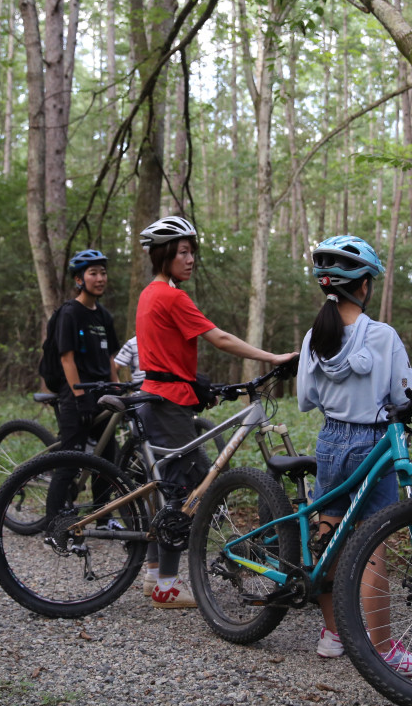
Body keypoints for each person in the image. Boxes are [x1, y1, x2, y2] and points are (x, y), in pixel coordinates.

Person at [135, 215, 297, 608]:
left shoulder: (149, 294)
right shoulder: (173, 297)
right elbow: (219, 338)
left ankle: (154, 575)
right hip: (168, 403)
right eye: (184, 252)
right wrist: (273, 357)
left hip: (159, 397)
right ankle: (166, 588)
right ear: (165, 254)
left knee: (170, 486)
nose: (191, 259)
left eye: (193, 252)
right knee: (185, 491)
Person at [295, 235, 412, 676]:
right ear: (364, 286)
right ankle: (384, 649)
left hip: (331, 440)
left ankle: (333, 636)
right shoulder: (382, 335)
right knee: (374, 550)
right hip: (374, 441)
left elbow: (305, 399)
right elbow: (402, 393)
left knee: (328, 538)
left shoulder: (315, 335)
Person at [45, 250, 121, 517]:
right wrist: (80, 398)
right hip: (77, 395)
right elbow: (67, 359)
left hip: (102, 396)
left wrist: (117, 389)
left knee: (107, 461)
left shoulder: (104, 316)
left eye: (103, 272)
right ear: (79, 279)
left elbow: (111, 358)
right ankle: (53, 523)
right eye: (93, 273)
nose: (100, 278)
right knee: (69, 462)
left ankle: (103, 519)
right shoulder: (70, 313)